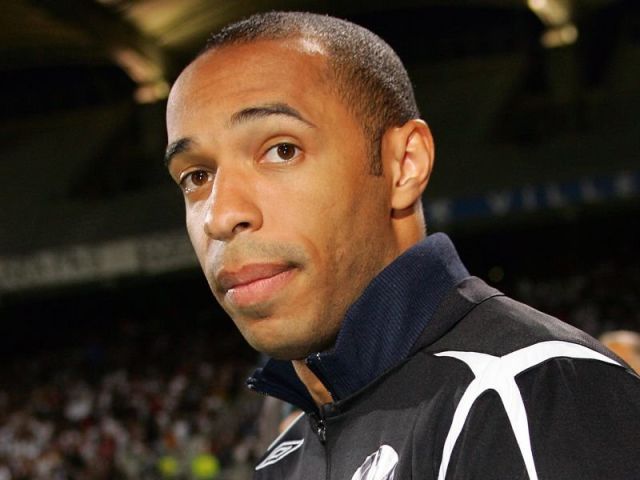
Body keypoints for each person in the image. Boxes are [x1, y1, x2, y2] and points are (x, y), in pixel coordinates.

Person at [164, 11, 640, 480]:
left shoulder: (531, 392)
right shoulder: (283, 462)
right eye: (196, 176)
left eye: (282, 150)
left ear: (404, 164)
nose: (220, 215)